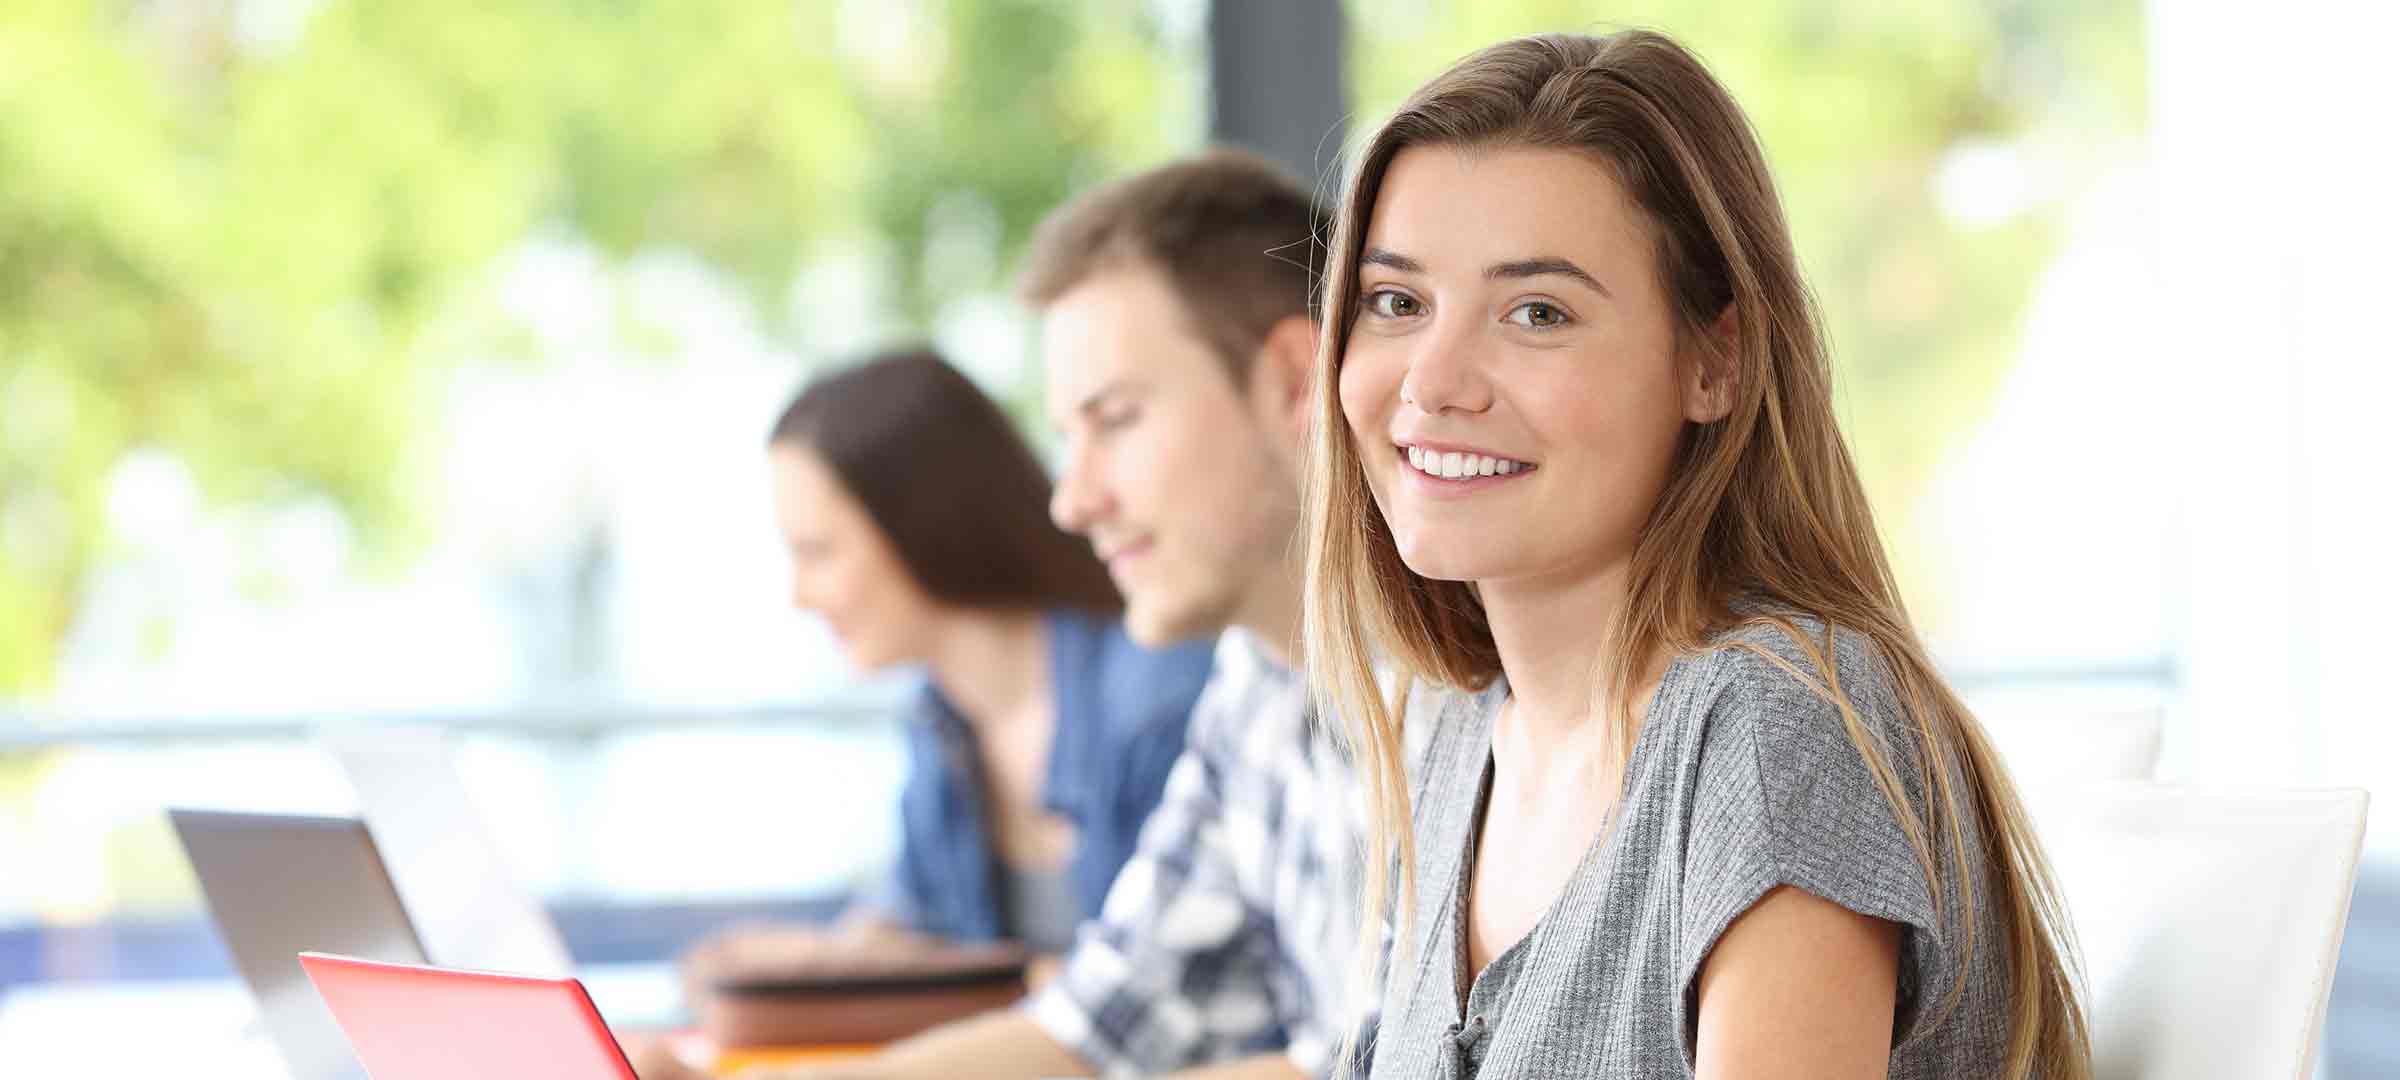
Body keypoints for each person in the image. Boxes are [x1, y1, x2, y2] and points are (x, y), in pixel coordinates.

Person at [1307, 31, 2091, 1079]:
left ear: (1713, 363)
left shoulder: (1774, 728)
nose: (1434, 381)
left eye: (1537, 313)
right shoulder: (1461, 735)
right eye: (1396, 303)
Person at [640, 150, 1365, 1080]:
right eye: (1069, 435)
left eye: (1117, 418)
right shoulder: (1255, 690)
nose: (1073, 500)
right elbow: (1097, 1024)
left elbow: (1356, 1067)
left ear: (1295, 384)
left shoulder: (1452, 698)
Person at [683, 347, 1213, 991]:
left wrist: (961, 984)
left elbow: (1163, 998)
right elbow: (919, 926)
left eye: (817, 552)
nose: (799, 595)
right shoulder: (942, 724)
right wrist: (813, 963)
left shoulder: (1161, 700)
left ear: (921, 525)